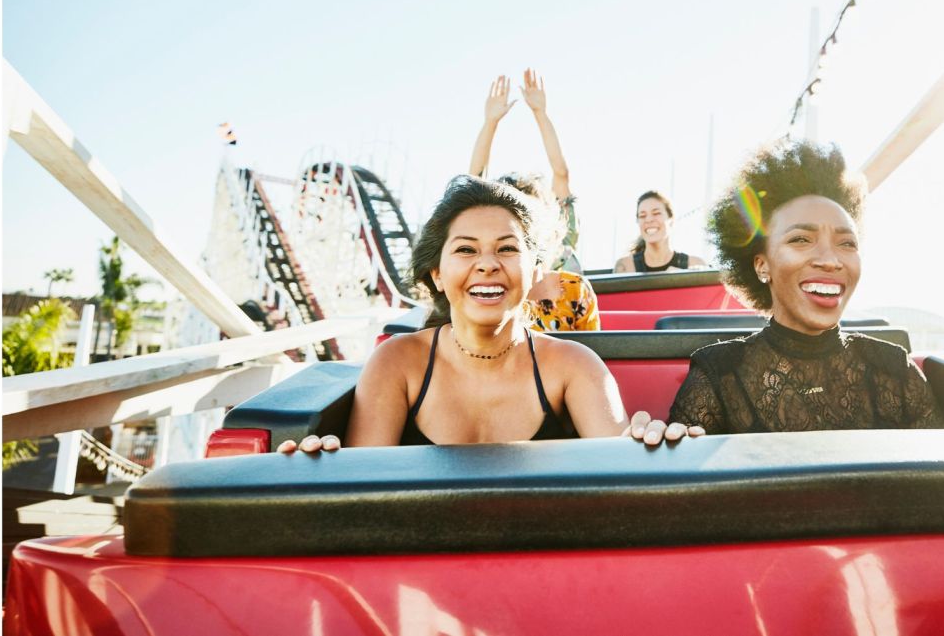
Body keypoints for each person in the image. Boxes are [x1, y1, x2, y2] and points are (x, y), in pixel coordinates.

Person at [279, 176, 701, 452]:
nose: (487, 264)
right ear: (437, 274)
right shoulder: (397, 362)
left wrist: (652, 447)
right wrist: (311, 473)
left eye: (507, 248)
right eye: (465, 249)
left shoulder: (574, 366)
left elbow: (620, 474)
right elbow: (360, 496)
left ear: (535, 271)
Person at [668, 140, 939, 433]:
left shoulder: (896, 369)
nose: (830, 260)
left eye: (847, 243)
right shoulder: (719, 375)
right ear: (762, 265)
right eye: (801, 239)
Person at [469, 70, 598, 332]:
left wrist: (540, 113)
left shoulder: (572, 282)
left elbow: (561, 174)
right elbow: (473, 184)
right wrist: (490, 122)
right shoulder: (494, 283)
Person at [613, 191, 707, 273]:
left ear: (671, 220)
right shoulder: (625, 267)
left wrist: (682, 279)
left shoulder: (695, 264)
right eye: (642, 215)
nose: (648, 219)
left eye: (656, 213)